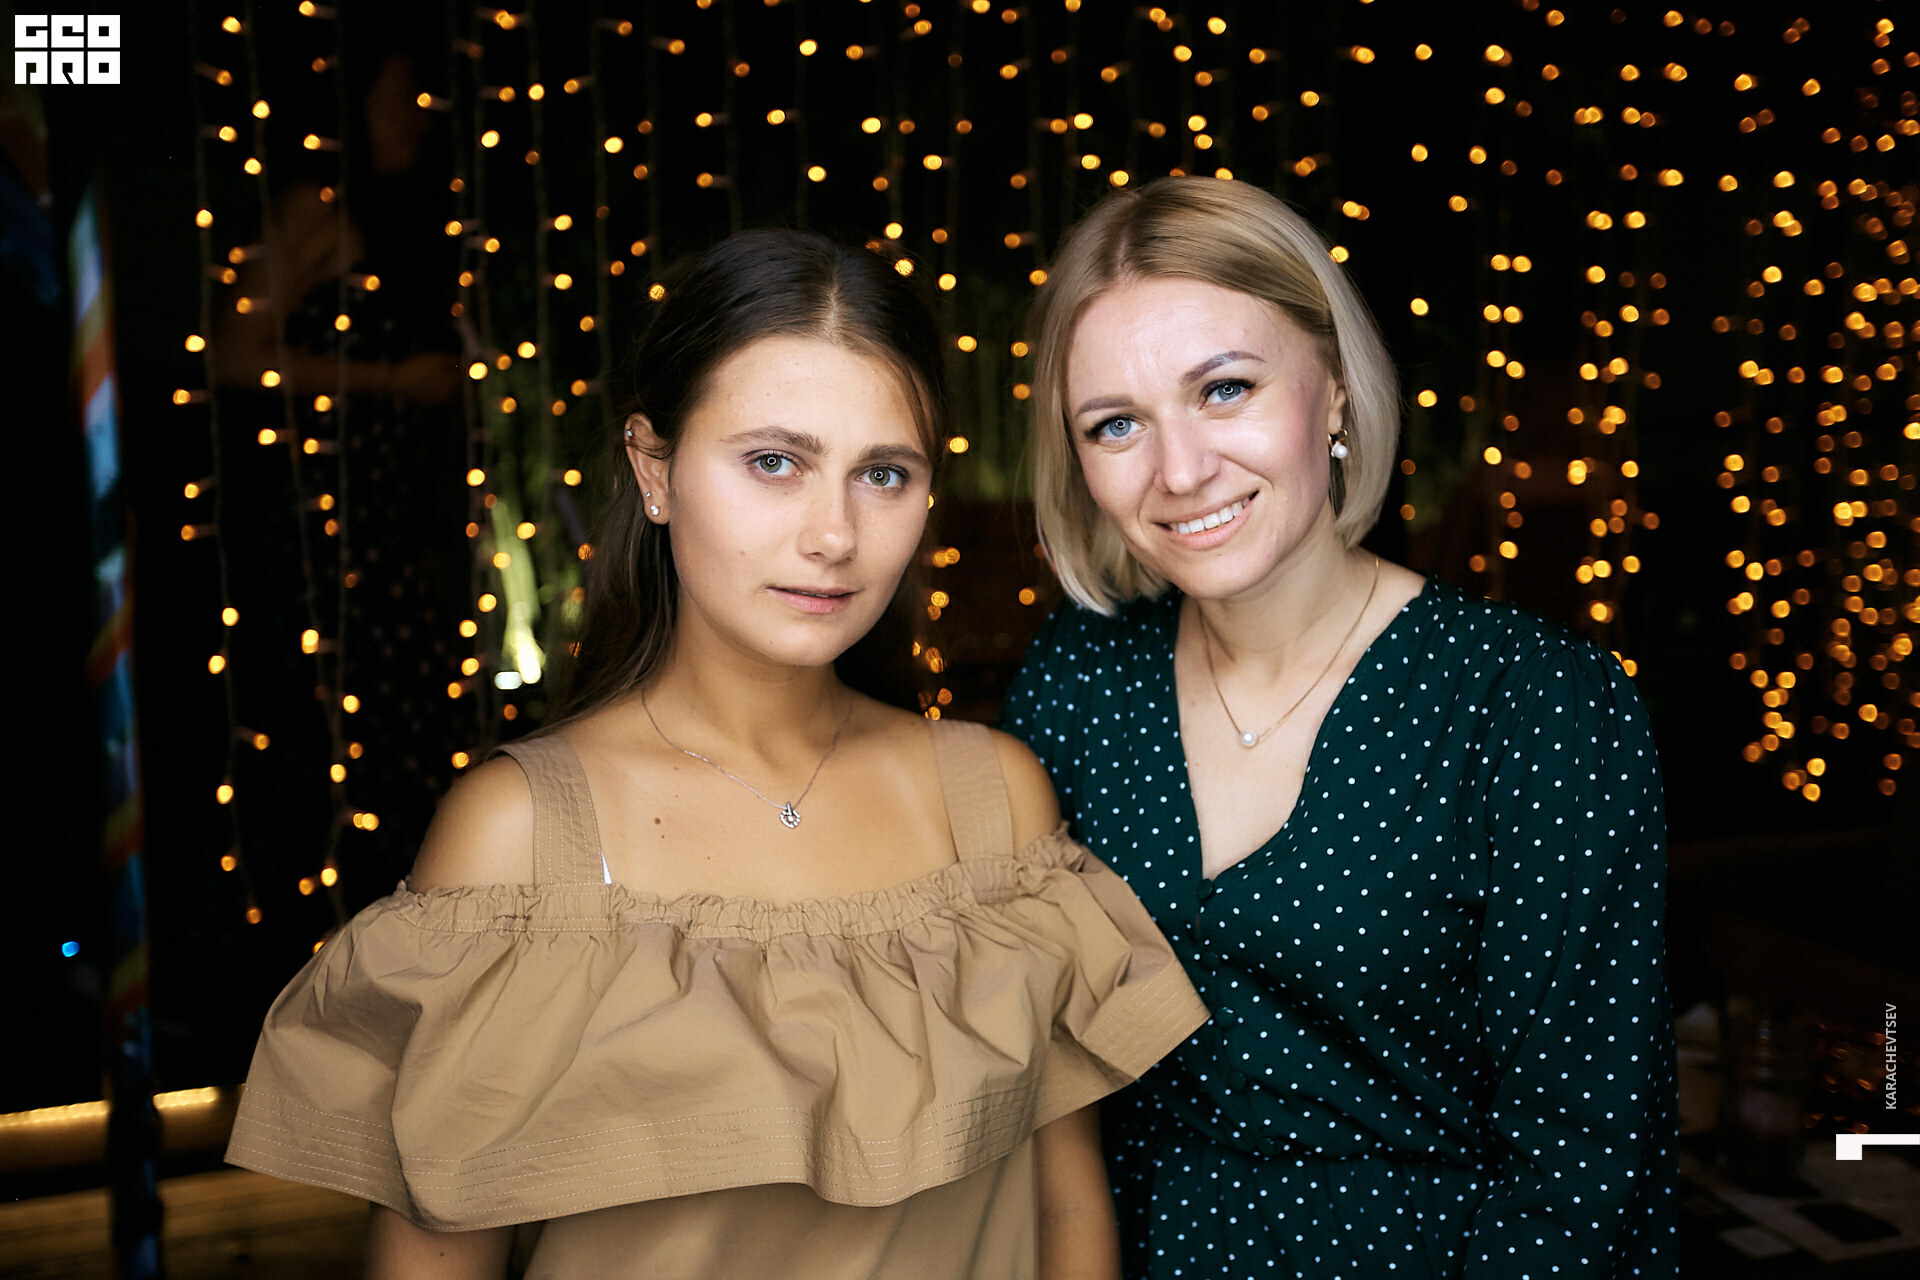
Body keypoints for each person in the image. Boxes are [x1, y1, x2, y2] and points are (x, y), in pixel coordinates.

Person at [224, 229, 1207, 1280]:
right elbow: (434, 1261)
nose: (833, 534)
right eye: (774, 462)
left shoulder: (994, 801)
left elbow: (1067, 1208)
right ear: (654, 468)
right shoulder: (522, 833)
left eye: (883, 473)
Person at [998, 177, 1673, 1278]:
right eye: (1117, 424)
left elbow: (1585, 1171)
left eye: (1225, 389)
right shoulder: (1077, 682)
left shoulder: (1532, 702)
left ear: (1338, 390)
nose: (1180, 471)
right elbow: (1031, 1073)